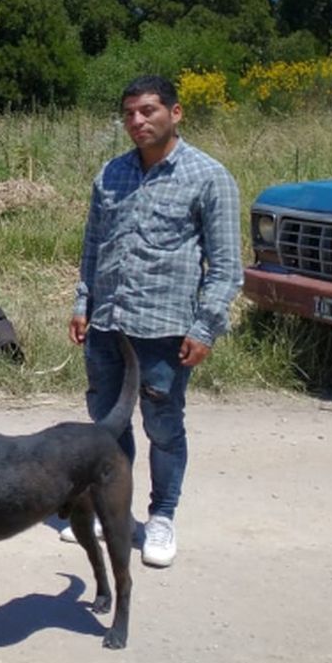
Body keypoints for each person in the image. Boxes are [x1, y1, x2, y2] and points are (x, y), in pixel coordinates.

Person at [68, 74, 241, 568]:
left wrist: (205, 326)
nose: (137, 122)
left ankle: (162, 516)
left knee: (163, 427)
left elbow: (226, 266)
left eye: (148, 111)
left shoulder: (208, 177)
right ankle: (112, 508)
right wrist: (83, 301)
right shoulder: (112, 174)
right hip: (108, 324)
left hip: (165, 330)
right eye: (128, 114)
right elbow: (93, 247)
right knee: (107, 424)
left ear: (175, 113)